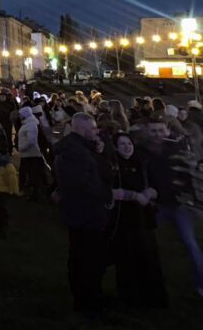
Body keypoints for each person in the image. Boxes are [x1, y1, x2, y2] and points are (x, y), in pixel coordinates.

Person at [54, 113, 113, 317]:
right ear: (81, 129)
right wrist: (108, 194)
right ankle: (88, 301)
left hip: (82, 211)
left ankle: (87, 297)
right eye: (93, 128)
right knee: (87, 258)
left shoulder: (79, 149)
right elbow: (82, 183)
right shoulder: (75, 152)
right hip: (85, 212)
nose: (96, 131)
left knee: (83, 256)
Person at [142, 117, 203, 297]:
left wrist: (195, 201)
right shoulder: (143, 151)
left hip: (179, 205)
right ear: (147, 132)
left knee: (190, 243)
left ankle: (201, 282)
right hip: (155, 205)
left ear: (167, 131)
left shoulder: (177, 149)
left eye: (161, 130)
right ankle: (147, 279)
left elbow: (191, 175)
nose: (157, 135)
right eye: (153, 131)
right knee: (141, 239)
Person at [109, 132, 166, 308]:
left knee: (148, 255)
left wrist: (150, 192)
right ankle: (130, 298)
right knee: (127, 258)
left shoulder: (142, 163)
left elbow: (156, 186)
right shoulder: (113, 166)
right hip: (124, 219)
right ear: (116, 147)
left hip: (143, 218)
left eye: (129, 144)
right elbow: (111, 191)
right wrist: (133, 196)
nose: (127, 147)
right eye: (122, 144)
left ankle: (153, 296)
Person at [16, 106, 47, 201]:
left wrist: (21, 148)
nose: (19, 116)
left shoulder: (30, 125)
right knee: (30, 173)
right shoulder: (29, 123)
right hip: (29, 153)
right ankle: (34, 192)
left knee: (30, 174)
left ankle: (35, 194)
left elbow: (31, 140)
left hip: (30, 153)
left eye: (20, 114)